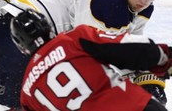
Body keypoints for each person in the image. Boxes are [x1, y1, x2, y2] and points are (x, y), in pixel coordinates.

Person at [0, 0, 168, 109]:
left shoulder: (137, 5)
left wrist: (149, 79)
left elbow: (129, 49)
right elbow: (97, 61)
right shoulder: (108, 1)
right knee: (10, 105)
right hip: (21, 29)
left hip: (42, 40)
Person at [9, 8, 172, 111]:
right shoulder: (72, 39)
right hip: (132, 106)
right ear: (47, 27)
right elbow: (126, 47)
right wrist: (163, 58)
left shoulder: (27, 91)